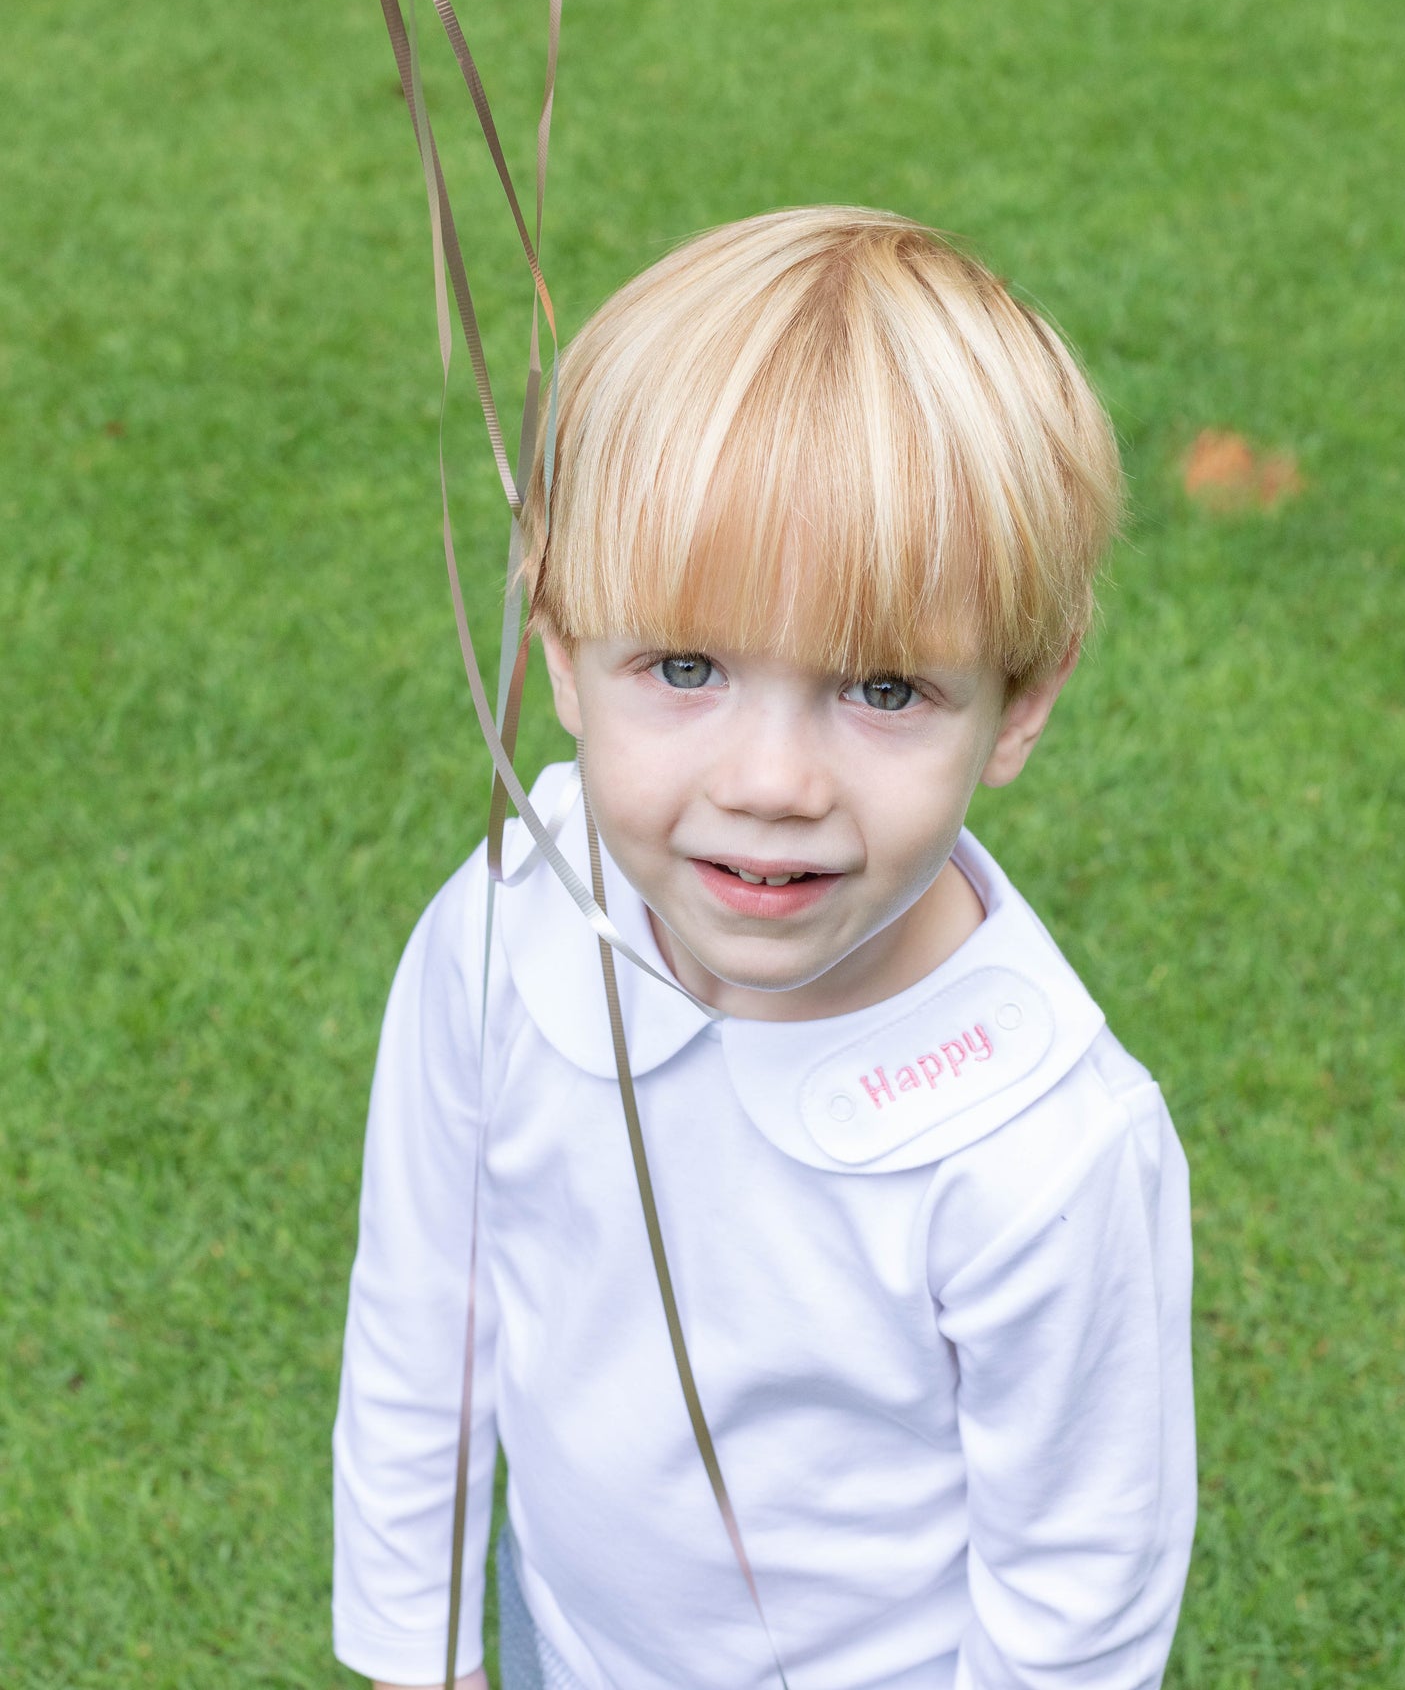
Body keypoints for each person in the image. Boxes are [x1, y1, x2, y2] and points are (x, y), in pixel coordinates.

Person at [332, 207, 1196, 1690]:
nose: (772, 782)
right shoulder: (508, 929)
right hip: (568, 1638)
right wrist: (424, 1657)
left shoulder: (1040, 1148)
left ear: (1023, 697)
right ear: (555, 641)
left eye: (881, 687)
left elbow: (1077, 1584)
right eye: (683, 667)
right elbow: (426, 1309)